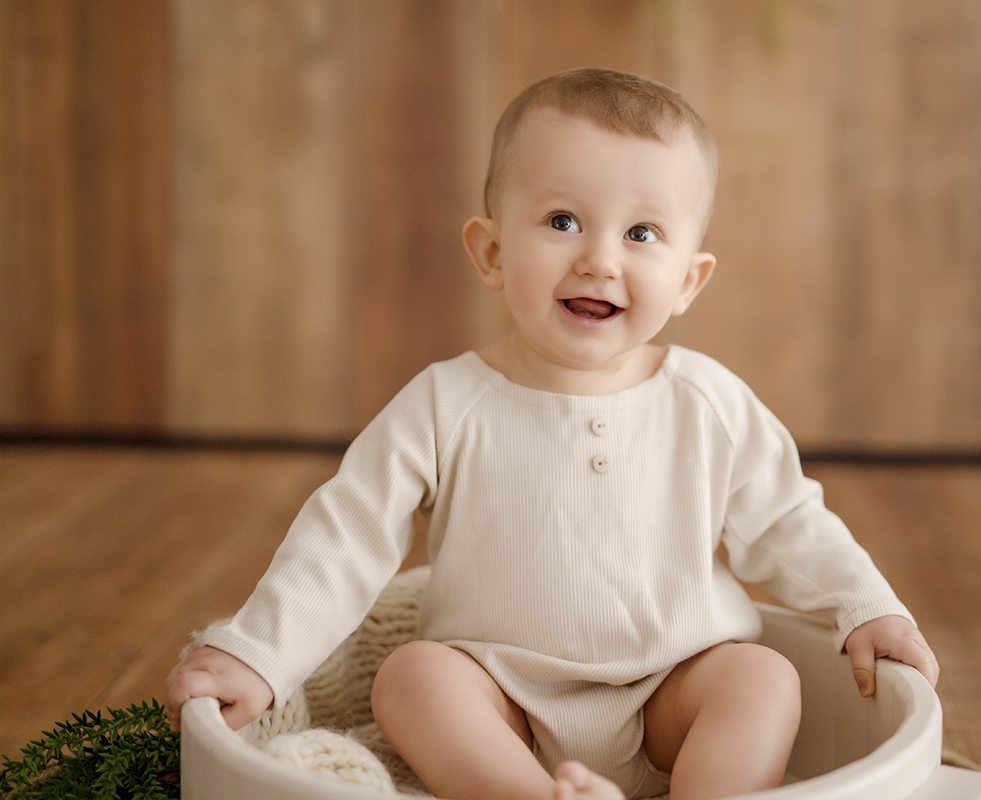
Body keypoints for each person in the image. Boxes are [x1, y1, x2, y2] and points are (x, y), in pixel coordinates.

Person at [165, 68, 939, 800]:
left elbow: (789, 521)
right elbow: (344, 535)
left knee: (763, 679)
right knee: (410, 678)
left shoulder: (708, 403)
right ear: (493, 252)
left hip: (671, 687)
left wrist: (866, 605)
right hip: (498, 694)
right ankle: (533, 795)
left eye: (642, 234)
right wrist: (257, 655)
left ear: (688, 282)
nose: (600, 259)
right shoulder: (446, 402)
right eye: (563, 221)